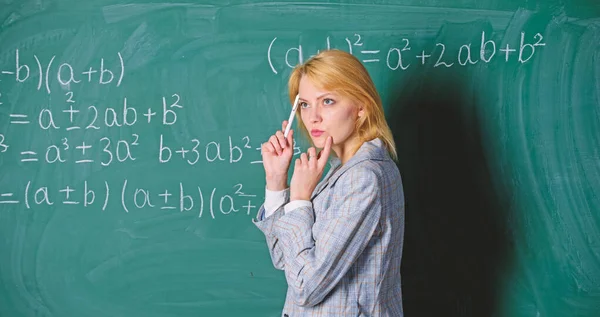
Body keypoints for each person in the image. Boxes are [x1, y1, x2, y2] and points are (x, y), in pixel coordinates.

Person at [252, 49, 405, 316]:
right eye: (305, 104)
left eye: (328, 101)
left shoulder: (363, 179)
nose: (313, 117)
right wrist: (276, 181)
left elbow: (306, 286)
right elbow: (284, 257)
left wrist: (300, 199)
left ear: (361, 108)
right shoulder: (341, 171)